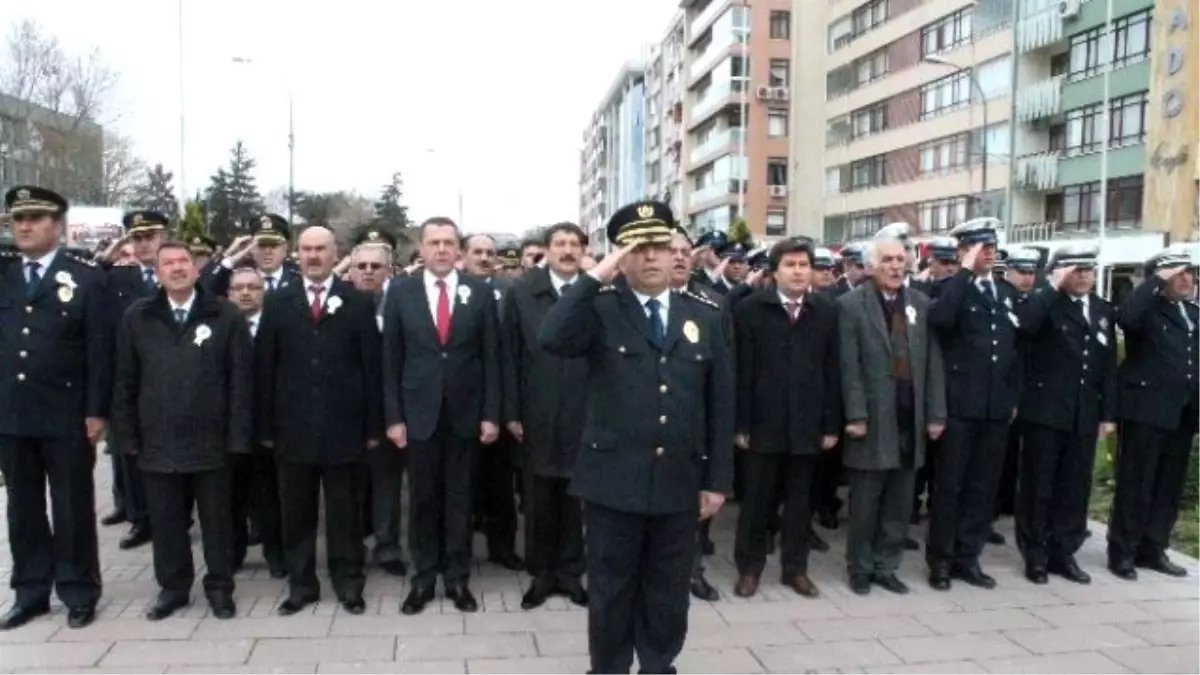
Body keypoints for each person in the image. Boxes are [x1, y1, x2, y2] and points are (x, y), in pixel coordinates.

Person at [538, 200, 734, 675]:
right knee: (611, 589)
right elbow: (552, 337)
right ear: (621, 257)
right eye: (638, 248)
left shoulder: (704, 314)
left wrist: (718, 479)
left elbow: (721, 404)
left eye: (660, 247)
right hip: (612, 480)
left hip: (678, 481)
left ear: (675, 254)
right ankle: (607, 668)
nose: (651, 258)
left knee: (668, 592)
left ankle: (658, 665)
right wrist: (594, 276)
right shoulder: (601, 309)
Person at [112, 242, 252, 620]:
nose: (176, 268)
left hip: (213, 443)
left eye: (183, 261)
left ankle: (220, 587)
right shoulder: (138, 317)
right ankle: (173, 589)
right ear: (157, 272)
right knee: (167, 523)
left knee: (218, 523)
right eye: (168, 263)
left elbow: (241, 381)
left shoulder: (225, 315)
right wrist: (126, 436)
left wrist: (239, 437)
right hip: (158, 442)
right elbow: (125, 380)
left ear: (196, 268)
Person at [256, 226, 382, 616]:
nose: (312, 256)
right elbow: (265, 368)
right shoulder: (277, 303)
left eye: (320, 249)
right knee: (297, 514)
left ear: (334, 253)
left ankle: (349, 583)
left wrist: (374, 427)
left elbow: (371, 369)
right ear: (297, 254)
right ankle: (302, 585)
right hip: (292, 430)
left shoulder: (357, 302)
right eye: (306, 249)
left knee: (345, 514)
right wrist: (265, 427)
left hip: (345, 430)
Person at [0, 185, 111, 630]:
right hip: (12, 411)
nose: (24, 226)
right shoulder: (3, 271)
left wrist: (96, 410)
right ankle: (30, 591)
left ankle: (79, 589)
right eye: (17, 219)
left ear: (58, 226)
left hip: (66, 413)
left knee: (72, 506)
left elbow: (99, 350)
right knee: (21, 508)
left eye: (35, 218)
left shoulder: (85, 275)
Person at [383, 217, 502, 615]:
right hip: (418, 415)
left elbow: (491, 357)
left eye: (449, 242)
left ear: (459, 249)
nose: (441, 250)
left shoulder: (478, 293)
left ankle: (457, 580)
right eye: (434, 242)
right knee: (422, 502)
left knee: (460, 500)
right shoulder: (400, 292)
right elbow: (391, 361)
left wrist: (491, 414)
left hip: (465, 415)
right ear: (421, 246)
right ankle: (423, 580)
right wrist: (394, 417)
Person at [731, 237, 841, 599]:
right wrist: (741, 424)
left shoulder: (825, 310)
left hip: (807, 426)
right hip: (763, 424)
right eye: (790, 265)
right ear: (774, 271)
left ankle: (795, 569)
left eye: (804, 265)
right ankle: (749, 568)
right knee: (757, 503)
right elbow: (741, 371)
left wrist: (830, 423)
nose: (798, 272)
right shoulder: (749, 310)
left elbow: (832, 370)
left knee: (799, 504)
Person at [837, 237, 946, 595]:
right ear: (871, 266)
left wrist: (935, 414)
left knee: (900, 499)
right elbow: (848, 366)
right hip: (871, 418)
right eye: (888, 260)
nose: (896, 266)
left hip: (909, 417)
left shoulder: (921, 304)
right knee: (866, 500)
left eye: (901, 259)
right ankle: (860, 567)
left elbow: (933, 366)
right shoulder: (851, 305)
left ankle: (887, 564)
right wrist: (855, 414)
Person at [925, 217, 1021, 591]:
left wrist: (1012, 398)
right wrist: (964, 272)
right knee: (950, 487)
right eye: (981, 249)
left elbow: (1015, 352)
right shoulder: (950, 288)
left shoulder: (1005, 292)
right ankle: (942, 561)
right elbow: (942, 319)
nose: (988, 255)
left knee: (983, 487)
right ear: (963, 251)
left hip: (995, 408)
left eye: (992, 249)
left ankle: (969, 557)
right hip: (960, 406)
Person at [1013, 243, 1116, 585]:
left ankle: (1064, 551)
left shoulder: (1101, 309)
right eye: (1076, 270)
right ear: (1060, 272)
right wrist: (1051, 286)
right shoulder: (1045, 304)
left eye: (1088, 270)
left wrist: (1107, 413)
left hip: (1083, 413)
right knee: (1039, 485)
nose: (1084, 276)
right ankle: (1036, 553)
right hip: (1045, 411)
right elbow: (1025, 326)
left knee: (1074, 487)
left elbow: (1107, 367)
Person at [503, 222, 591, 610]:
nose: (567, 250)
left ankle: (571, 572)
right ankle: (542, 573)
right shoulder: (523, 292)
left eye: (574, 243)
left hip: (585, 409)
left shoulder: (597, 291)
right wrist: (511, 411)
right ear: (548, 249)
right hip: (535, 409)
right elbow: (509, 354)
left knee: (576, 496)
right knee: (539, 497)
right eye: (560, 243)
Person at [1109, 244, 1200, 580]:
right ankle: (1123, 551)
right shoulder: (1145, 311)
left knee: (1168, 486)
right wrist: (1154, 281)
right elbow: (1126, 317)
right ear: (1162, 276)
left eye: (1190, 273)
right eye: (1180, 274)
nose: (1188, 279)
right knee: (1137, 483)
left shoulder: (1191, 314)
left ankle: (1153, 547)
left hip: (1182, 413)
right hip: (1145, 411)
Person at [104, 210, 171, 550]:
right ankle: (140, 520)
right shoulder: (118, 279)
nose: (144, 243)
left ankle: (176, 517)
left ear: (163, 237)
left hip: (173, 384)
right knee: (131, 457)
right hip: (132, 383)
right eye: (137, 237)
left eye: (150, 236)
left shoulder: (181, 273)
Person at [225, 266, 286, 578]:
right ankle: (233, 555)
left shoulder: (277, 326)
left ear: (264, 293)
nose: (246, 293)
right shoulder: (219, 327)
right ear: (229, 293)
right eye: (239, 288)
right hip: (229, 430)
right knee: (230, 498)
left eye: (253, 287)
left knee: (270, 498)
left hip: (268, 430)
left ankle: (277, 555)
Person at [206, 214, 300, 296]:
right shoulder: (235, 277)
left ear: (285, 248)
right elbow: (204, 292)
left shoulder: (299, 277)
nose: (267, 251)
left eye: (273, 245)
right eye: (261, 245)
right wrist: (228, 254)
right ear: (251, 249)